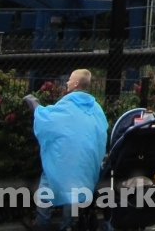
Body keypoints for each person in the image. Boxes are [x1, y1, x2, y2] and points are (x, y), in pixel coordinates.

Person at [23, 69, 108, 231]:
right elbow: (101, 131)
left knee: (49, 177)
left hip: (66, 158)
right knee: (74, 189)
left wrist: (35, 105)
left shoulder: (68, 104)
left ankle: (42, 223)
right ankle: (67, 225)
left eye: (69, 79)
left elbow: (49, 120)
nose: (66, 82)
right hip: (86, 162)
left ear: (76, 83)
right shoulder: (96, 108)